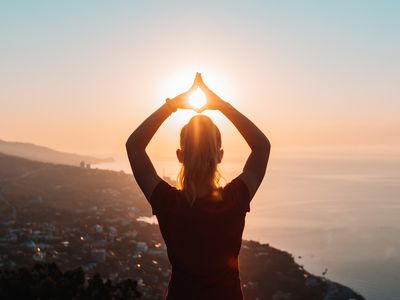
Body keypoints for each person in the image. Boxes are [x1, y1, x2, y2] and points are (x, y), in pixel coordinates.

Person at [126, 73, 270, 299]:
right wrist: (223, 106)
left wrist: (172, 105)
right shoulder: (235, 199)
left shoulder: (168, 203)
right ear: (220, 156)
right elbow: (262, 147)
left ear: (179, 155)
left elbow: (134, 146)